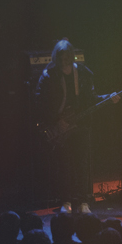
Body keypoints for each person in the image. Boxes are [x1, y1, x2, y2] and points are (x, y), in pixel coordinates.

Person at [35, 39, 99, 213]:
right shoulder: (49, 75)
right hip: (60, 126)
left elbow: (92, 98)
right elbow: (40, 103)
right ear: (57, 58)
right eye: (61, 59)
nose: (64, 62)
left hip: (80, 125)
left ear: (72, 57)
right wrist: (56, 121)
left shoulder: (83, 73)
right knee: (64, 165)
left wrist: (111, 97)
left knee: (82, 164)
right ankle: (66, 202)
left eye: (67, 58)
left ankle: (83, 201)